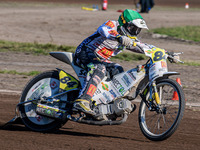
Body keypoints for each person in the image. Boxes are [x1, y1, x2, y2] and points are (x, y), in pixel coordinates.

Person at [73, 9, 154, 115]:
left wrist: (165, 53)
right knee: (99, 69)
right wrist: (118, 37)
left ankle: (109, 102)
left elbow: (143, 47)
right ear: (125, 24)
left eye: (138, 30)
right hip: (86, 51)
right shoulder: (112, 24)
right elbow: (104, 30)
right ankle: (83, 100)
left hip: (101, 59)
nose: (135, 32)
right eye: (133, 28)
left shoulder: (128, 38)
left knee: (118, 69)